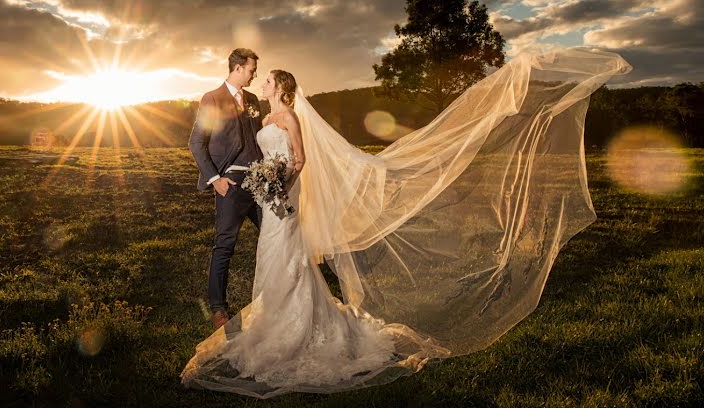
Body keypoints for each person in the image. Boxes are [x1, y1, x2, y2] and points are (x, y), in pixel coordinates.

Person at [182, 47, 632, 398]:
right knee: (261, 253)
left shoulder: (292, 117)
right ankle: (252, 315)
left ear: (280, 87)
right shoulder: (247, 108)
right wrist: (231, 179)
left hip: (278, 196)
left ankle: (294, 327)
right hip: (252, 190)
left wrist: (279, 184)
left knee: (288, 259)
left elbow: (297, 159)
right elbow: (212, 143)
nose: (260, 79)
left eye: (266, 77)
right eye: (255, 71)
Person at [188, 48, 264, 330]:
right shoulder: (213, 98)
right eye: (252, 69)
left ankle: (277, 299)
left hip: (259, 184)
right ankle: (218, 308)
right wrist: (215, 179)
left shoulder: (254, 100)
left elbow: (258, 140)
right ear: (238, 67)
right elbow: (196, 143)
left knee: (275, 238)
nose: (254, 74)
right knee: (225, 246)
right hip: (230, 186)